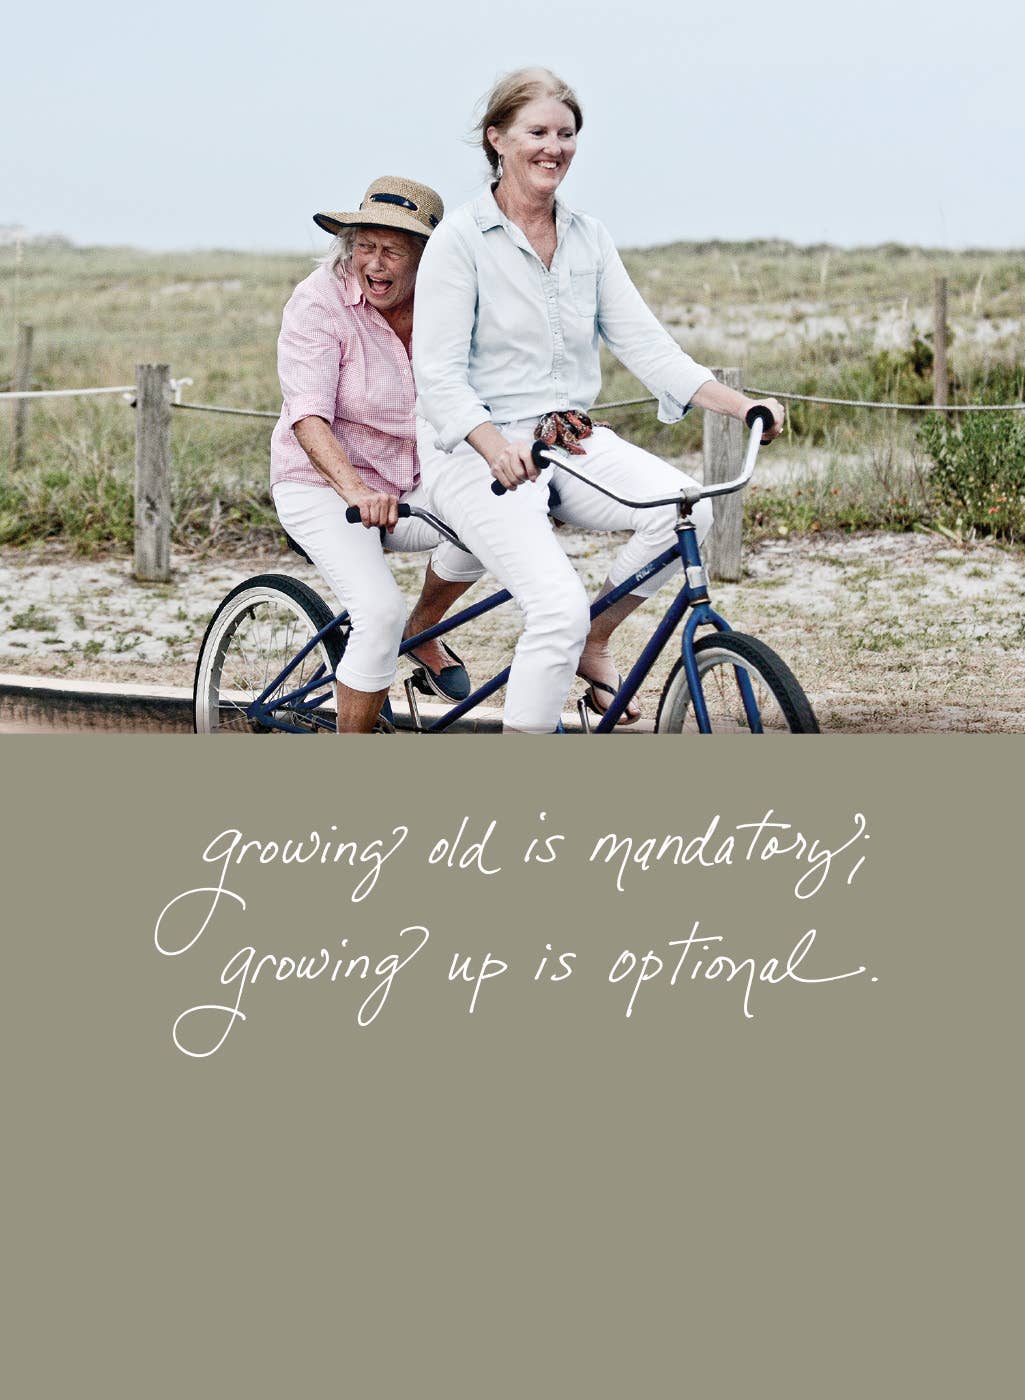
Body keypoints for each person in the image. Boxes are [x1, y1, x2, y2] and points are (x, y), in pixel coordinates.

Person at [412, 68, 784, 733]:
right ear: (497, 139)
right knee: (551, 605)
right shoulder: (460, 239)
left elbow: (647, 345)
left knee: (687, 514)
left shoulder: (588, 237)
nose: (552, 147)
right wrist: (494, 446)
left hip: (567, 441)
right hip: (474, 451)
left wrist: (738, 404)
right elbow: (437, 376)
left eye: (565, 133)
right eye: (536, 132)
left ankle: (594, 636)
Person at [270, 176, 485, 733]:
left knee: (501, 512)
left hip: (413, 480)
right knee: (377, 613)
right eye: (365, 244)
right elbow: (308, 415)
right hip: (321, 483)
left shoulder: (453, 306)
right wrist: (356, 490)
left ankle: (426, 627)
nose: (376, 262)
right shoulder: (319, 301)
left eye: (394, 249)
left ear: (426, 258)